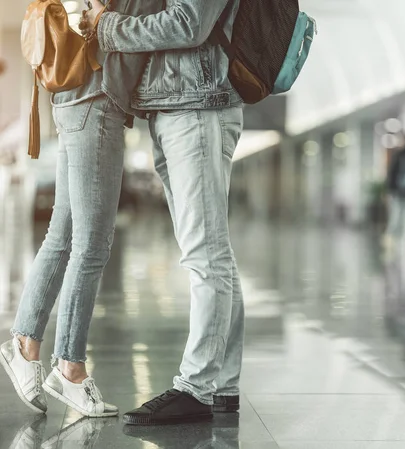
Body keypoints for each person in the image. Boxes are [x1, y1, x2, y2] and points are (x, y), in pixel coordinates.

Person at [84, 0, 245, 425]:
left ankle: (197, 387)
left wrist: (108, 26)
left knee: (205, 254)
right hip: (175, 105)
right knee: (212, 251)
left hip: (196, 105)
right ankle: (222, 384)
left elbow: (188, 23)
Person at [0, 2, 164, 417]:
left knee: (63, 236)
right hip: (97, 98)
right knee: (91, 245)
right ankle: (69, 366)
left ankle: (25, 345)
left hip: (79, 99)